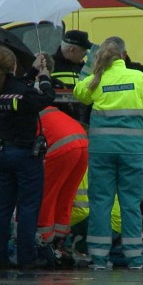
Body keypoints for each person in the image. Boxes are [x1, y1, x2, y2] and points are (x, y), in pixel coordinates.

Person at [73, 36, 143, 270]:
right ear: (124, 55)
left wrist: (88, 68)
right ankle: (135, 258)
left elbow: (78, 94)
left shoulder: (97, 79)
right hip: (132, 153)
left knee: (101, 203)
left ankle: (99, 258)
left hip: (102, 151)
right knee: (130, 204)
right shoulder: (139, 78)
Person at [0, 46, 55, 269]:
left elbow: (15, 89)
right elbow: (46, 97)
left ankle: (0, 257)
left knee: (4, 207)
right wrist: (44, 77)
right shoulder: (22, 91)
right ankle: (26, 258)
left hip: (1, 154)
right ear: (13, 65)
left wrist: (32, 72)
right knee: (27, 207)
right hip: (25, 155)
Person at [37, 105, 89, 253]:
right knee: (66, 195)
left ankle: (44, 240)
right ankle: (60, 242)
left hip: (62, 147)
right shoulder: (51, 111)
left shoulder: (28, 115)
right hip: (83, 144)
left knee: (47, 194)